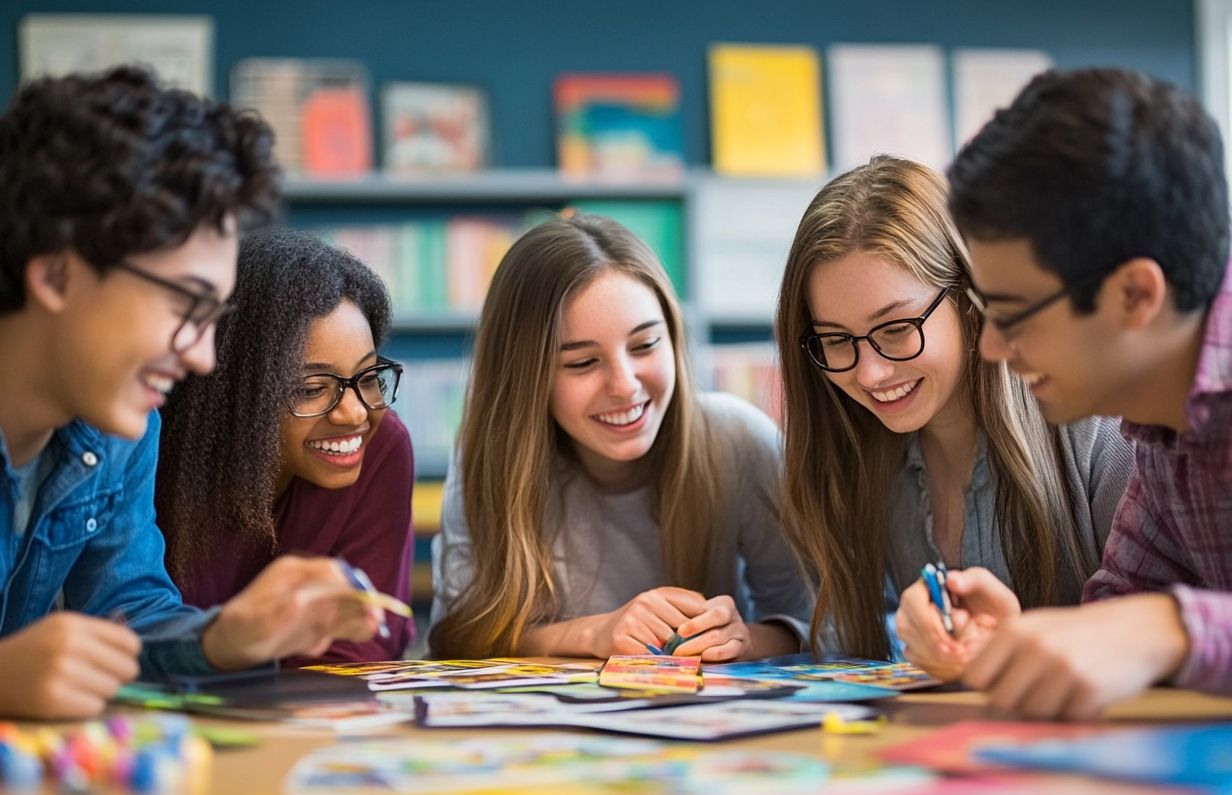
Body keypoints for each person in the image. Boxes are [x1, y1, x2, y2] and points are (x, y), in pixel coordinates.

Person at [0, 67, 381, 719]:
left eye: (215, 320)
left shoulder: (122, 430)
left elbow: (131, 620)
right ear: (58, 276)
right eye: (186, 306)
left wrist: (227, 636)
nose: (203, 356)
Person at [897, 67, 1232, 718]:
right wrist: (1024, 642)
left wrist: (1170, 628)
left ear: (1135, 294)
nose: (991, 347)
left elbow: (1150, 628)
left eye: (1014, 313)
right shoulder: (1161, 422)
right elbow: (1122, 613)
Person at [774, 155, 1134, 665]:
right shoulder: (856, 456)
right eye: (835, 340)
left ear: (970, 300)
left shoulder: (1099, 423)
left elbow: (1170, 634)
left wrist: (1013, 649)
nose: (870, 374)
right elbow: (856, 633)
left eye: (896, 329)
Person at [430, 214, 811, 660]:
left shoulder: (737, 439)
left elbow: (825, 620)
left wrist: (746, 639)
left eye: (645, 345)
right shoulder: (492, 460)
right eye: (581, 363)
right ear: (525, 379)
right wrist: (592, 635)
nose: (625, 385)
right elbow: (456, 636)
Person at [157, 227, 415, 662]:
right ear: (235, 390)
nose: (354, 413)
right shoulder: (161, 452)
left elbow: (367, 641)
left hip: (311, 720)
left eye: (368, 379)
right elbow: (138, 629)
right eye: (311, 389)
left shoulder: (382, 447)